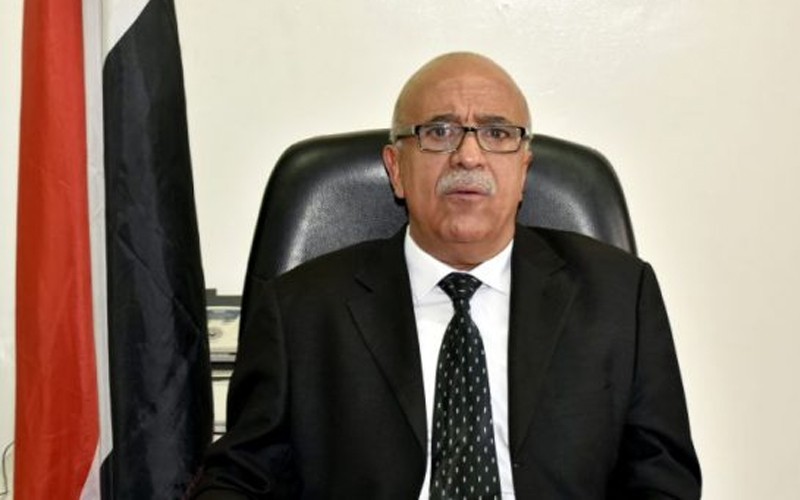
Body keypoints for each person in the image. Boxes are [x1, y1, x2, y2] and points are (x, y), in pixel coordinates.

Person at [191, 52, 701, 499]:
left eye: (497, 133)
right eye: (438, 132)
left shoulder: (618, 295)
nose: (469, 155)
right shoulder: (301, 309)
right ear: (396, 168)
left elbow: (662, 480)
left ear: (524, 169)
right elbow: (241, 479)